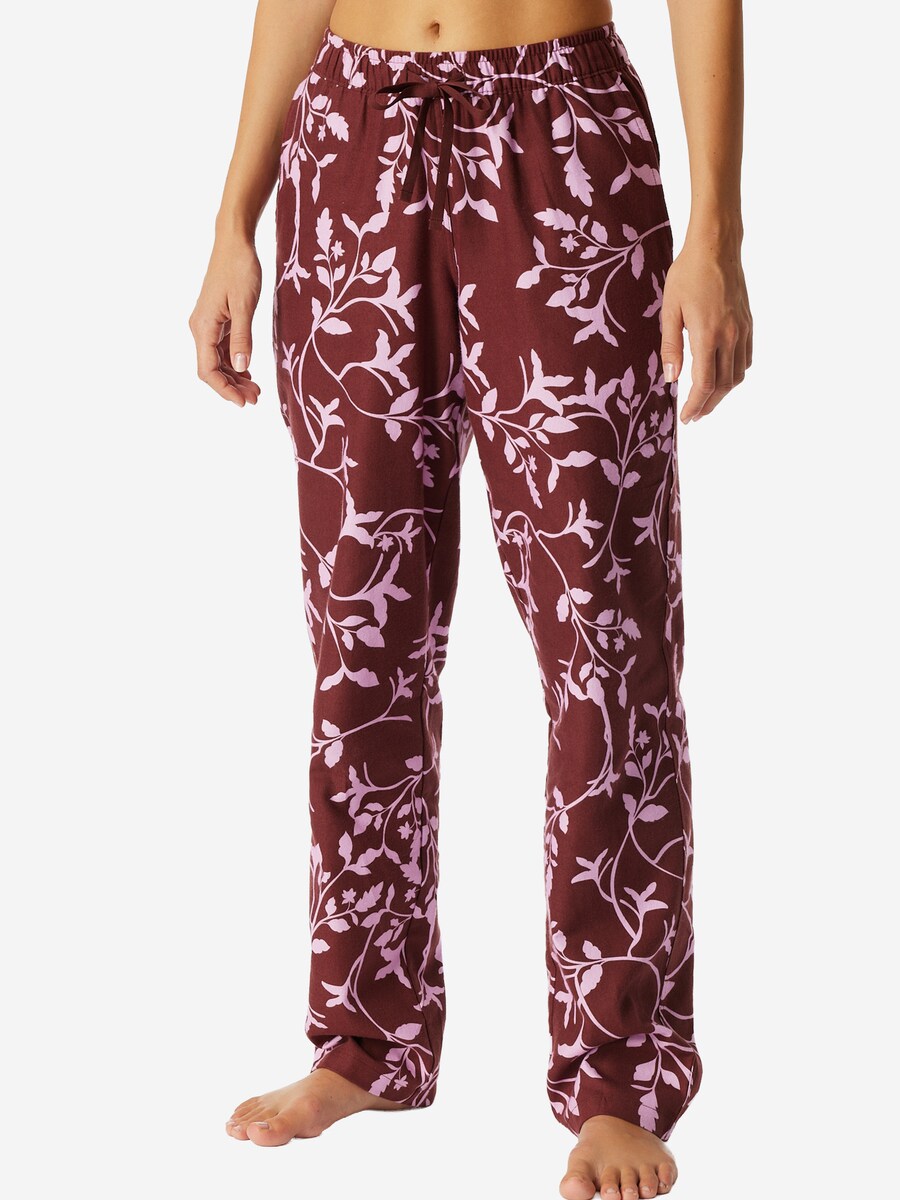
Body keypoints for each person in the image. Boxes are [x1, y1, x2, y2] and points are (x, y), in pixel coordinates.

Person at [188, 1, 751, 1196]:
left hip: (563, 141)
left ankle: (619, 1074)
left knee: (605, 635)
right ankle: (366, 1035)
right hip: (350, 145)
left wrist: (715, 230)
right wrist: (233, 218)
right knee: (361, 630)